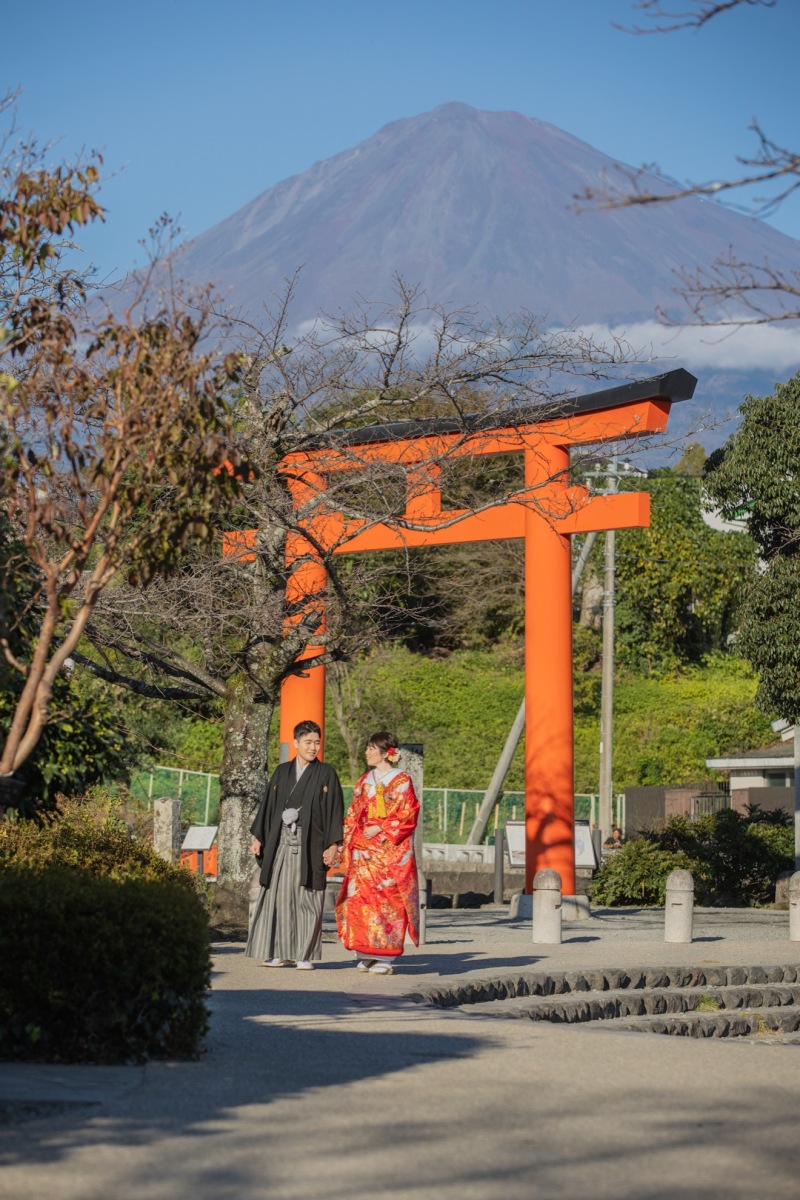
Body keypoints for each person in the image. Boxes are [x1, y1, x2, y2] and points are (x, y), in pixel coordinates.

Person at [246, 720, 344, 970]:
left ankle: (304, 954)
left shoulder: (326, 773)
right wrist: (259, 837)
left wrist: (334, 844)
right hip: (280, 841)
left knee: (307, 898)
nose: (313, 747)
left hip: (311, 841)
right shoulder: (281, 772)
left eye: (317, 742)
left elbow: (334, 811)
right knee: (279, 896)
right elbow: (268, 807)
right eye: (308, 742)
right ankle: (278, 951)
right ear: (296, 743)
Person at [335, 732, 420, 976]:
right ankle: (365, 952)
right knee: (360, 900)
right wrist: (343, 839)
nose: (367, 752)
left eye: (372, 748)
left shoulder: (402, 780)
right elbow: (353, 813)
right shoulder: (364, 780)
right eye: (367, 748)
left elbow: (408, 814)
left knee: (387, 901)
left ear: (387, 753)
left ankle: (386, 956)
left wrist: (381, 826)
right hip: (363, 851)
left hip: (389, 853)